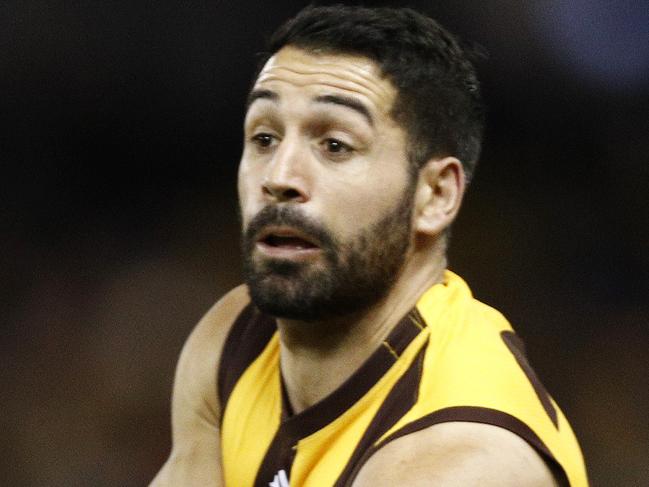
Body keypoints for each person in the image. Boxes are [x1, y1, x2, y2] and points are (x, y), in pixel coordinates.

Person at [151, 5, 588, 486]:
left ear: (436, 195)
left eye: (335, 145)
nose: (278, 178)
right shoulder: (233, 343)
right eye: (264, 137)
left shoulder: (461, 460)